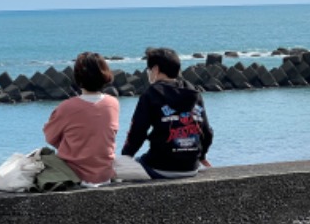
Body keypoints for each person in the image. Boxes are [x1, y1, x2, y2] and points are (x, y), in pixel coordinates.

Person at [121, 47, 213, 179]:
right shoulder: (194, 93)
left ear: (155, 69)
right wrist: (201, 156)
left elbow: (137, 132)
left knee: (118, 169)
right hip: (191, 167)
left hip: (160, 167)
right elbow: (206, 132)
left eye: (149, 70)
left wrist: (126, 156)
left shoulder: (151, 94)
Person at [43, 52, 120, 186]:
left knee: (42, 157)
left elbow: (50, 137)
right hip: (104, 174)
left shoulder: (66, 107)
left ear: (78, 77)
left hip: (74, 175)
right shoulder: (113, 103)